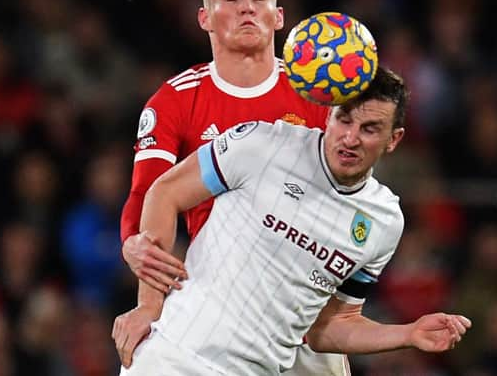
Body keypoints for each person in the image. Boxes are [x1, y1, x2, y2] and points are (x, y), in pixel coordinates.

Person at [112, 67, 472, 375]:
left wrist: (408, 334)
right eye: (344, 119)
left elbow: (330, 329)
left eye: (369, 128)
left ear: (394, 140)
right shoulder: (262, 143)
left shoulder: (383, 222)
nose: (350, 138)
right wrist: (148, 304)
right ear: (328, 114)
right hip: (174, 359)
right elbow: (164, 192)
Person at [117, 0, 345, 374]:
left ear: (278, 17)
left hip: (303, 301)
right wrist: (147, 301)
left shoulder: (317, 97)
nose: (246, 7)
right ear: (204, 17)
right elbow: (148, 194)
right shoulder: (175, 100)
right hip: (216, 298)